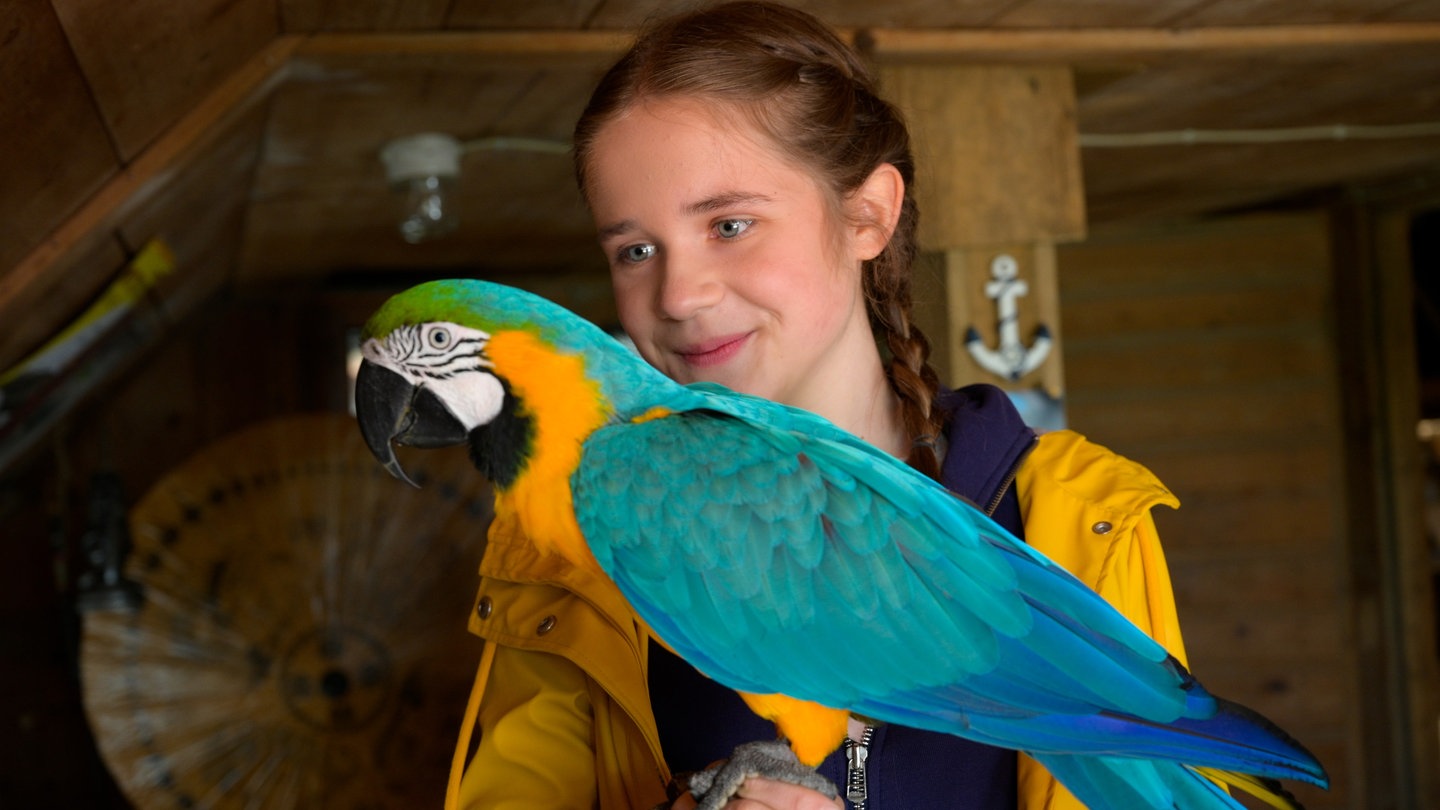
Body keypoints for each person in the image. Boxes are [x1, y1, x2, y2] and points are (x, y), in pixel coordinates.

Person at [452, 3, 1190, 808]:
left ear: (868, 213)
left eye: (730, 224)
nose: (679, 294)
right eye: (635, 250)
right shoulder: (565, 550)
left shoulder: (1083, 519)